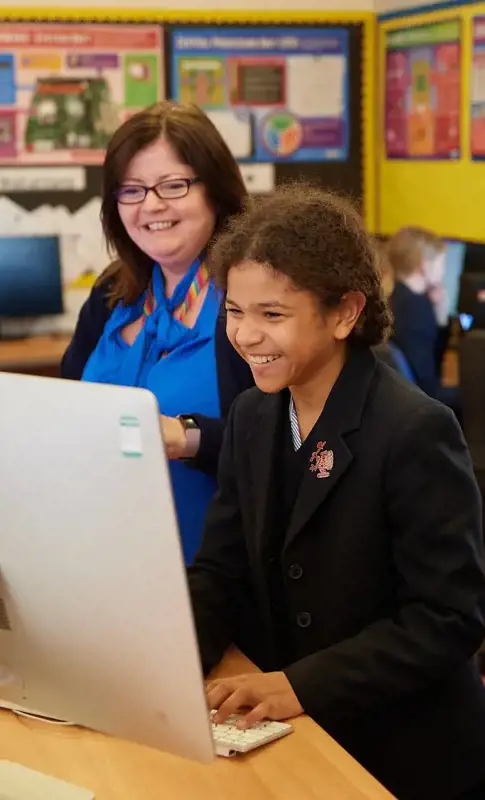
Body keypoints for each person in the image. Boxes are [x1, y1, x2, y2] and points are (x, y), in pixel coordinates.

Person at [188, 185, 485, 800]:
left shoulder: (413, 429)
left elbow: (449, 618)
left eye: (272, 315)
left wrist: (300, 686)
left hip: (399, 744)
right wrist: (166, 665)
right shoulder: (251, 415)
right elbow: (221, 570)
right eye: (233, 312)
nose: (244, 335)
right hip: (293, 731)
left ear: (345, 313)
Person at [61, 101, 253, 564]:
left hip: (214, 576)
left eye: (174, 185)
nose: (151, 204)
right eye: (132, 190)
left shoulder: (254, 295)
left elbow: (294, 442)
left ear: (216, 191)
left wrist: (187, 437)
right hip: (99, 557)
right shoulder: (112, 291)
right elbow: (63, 409)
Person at [386, 226, 458, 412]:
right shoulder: (416, 307)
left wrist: (440, 314)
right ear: (425, 265)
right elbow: (429, 378)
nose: (443, 271)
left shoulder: (395, 299)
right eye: (441, 264)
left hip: (399, 397)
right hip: (420, 404)